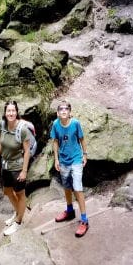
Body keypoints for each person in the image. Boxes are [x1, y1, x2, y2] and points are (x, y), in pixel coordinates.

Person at [49, 100, 89, 237]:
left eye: (66, 109)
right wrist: (56, 159)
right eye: (61, 109)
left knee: (77, 188)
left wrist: (85, 154)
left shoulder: (76, 123)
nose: (64, 111)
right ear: (57, 113)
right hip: (63, 160)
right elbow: (55, 142)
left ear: (70, 112)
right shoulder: (55, 124)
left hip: (76, 159)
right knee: (66, 186)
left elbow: (82, 139)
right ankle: (70, 210)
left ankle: (84, 220)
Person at [0, 100, 31, 236]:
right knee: (7, 191)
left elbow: (27, 151)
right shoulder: (2, 125)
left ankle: (19, 222)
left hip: (18, 167)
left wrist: (24, 171)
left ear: (16, 112)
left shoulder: (23, 130)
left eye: (13, 110)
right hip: (5, 165)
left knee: (20, 194)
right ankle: (18, 213)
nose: (11, 113)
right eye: (8, 111)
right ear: (5, 112)